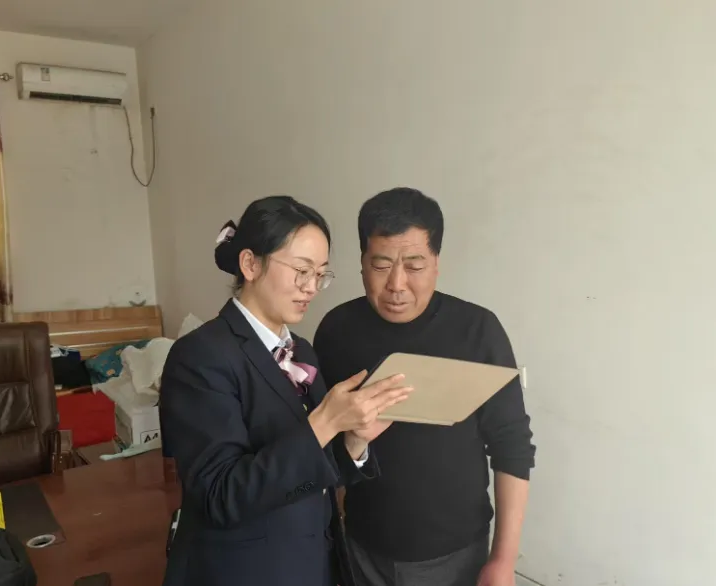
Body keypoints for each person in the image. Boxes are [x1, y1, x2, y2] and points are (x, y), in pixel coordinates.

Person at [160, 195, 413, 586]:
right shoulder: (201, 356)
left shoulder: (301, 352)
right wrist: (324, 422)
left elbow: (314, 473)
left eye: (320, 274)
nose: (311, 287)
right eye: (301, 270)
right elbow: (220, 497)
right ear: (250, 264)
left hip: (311, 562)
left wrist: (354, 442)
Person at [313, 187, 536, 586]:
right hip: (362, 545)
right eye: (381, 265)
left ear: (436, 263)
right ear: (362, 262)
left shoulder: (477, 331)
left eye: (414, 266)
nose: (396, 284)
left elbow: (512, 446)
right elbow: (327, 445)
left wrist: (503, 560)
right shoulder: (336, 330)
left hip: (455, 555)